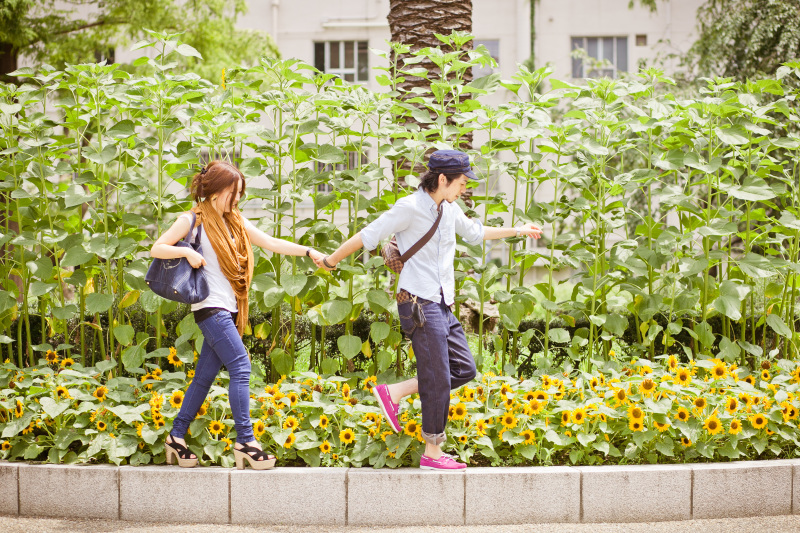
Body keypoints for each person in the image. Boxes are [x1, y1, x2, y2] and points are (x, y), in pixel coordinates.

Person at [320, 149, 542, 470]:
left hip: (442, 303)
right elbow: (368, 235)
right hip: (418, 303)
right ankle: (432, 452)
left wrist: (518, 230)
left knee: (464, 369)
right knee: (437, 377)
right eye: (462, 182)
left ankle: (394, 392)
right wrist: (331, 260)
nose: (465, 189)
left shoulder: (448, 209)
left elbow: (476, 233)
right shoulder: (409, 208)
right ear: (442, 179)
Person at [151, 160, 327, 469]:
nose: (238, 199)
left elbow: (270, 242)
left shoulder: (235, 221)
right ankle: (246, 441)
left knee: (204, 377)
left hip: (230, 308)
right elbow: (157, 248)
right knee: (242, 368)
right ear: (217, 190)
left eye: (240, 193)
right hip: (210, 307)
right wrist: (187, 251)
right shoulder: (192, 219)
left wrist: (309, 252)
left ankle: (176, 437)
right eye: (234, 192)